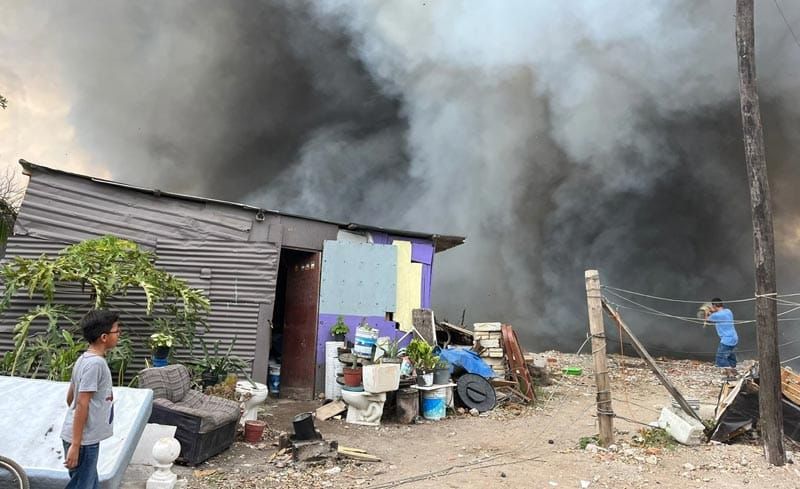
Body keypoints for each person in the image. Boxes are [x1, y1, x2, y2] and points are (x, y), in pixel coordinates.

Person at [60, 310, 121, 489]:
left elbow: (70, 397)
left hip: (84, 438)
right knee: (83, 485)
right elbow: (81, 402)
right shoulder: (95, 364)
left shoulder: (83, 360)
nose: (119, 335)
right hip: (83, 441)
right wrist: (76, 444)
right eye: (117, 331)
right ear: (104, 337)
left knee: (90, 484)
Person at [705, 298, 738, 379]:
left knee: (721, 357)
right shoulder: (728, 311)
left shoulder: (717, 315)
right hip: (734, 337)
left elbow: (707, 320)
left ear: (714, 306)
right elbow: (719, 313)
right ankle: (734, 372)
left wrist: (707, 312)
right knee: (730, 356)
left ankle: (730, 376)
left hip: (727, 339)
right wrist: (713, 311)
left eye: (712, 306)